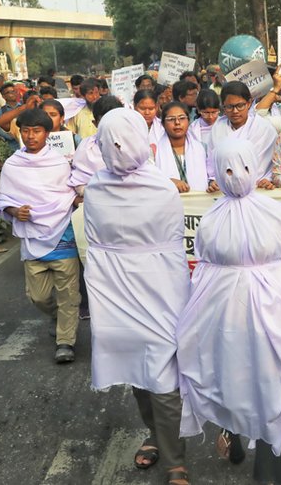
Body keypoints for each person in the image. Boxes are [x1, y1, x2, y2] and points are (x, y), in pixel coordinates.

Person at [177, 139, 281, 484]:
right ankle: (235, 434)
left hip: (270, 312)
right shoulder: (212, 217)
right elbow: (204, 263)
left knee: (272, 386)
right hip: (222, 313)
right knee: (231, 378)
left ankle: (273, 468)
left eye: (243, 168)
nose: (237, 177)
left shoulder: (274, 211)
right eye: (227, 170)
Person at [83, 108, 191, 485]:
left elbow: (170, 244)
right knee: (137, 369)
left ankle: (175, 459)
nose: (117, 150)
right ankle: (156, 436)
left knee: (162, 373)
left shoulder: (162, 188)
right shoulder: (96, 189)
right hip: (116, 293)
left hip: (159, 291)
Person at [0, 109, 81, 363]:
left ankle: (65, 341)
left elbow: (70, 194)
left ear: (47, 132)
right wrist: (14, 210)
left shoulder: (61, 162)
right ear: (20, 133)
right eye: (26, 131)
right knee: (38, 297)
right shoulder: (12, 165)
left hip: (63, 234)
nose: (31, 136)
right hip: (32, 239)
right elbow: (4, 199)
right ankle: (58, 317)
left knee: (68, 294)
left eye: (37, 131)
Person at [208, 81, 277, 185]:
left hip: (258, 187)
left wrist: (267, 179)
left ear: (249, 103)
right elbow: (212, 160)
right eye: (229, 107)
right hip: (224, 188)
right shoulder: (217, 128)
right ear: (223, 106)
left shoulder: (264, 129)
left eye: (240, 105)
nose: (235, 111)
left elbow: (272, 164)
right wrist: (214, 181)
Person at [69, 95, 124, 196]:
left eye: (114, 120)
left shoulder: (132, 143)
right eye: (104, 121)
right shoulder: (85, 147)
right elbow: (79, 183)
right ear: (95, 123)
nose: (110, 125)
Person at [155, 101, 208, 192]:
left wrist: (213, 183)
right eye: (171, 119)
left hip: (200, 203)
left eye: (182, 118)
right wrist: (168, 182)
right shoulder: (154, 151)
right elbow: (150, 181)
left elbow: (212, 176)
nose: (177, 122)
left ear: (189, 121)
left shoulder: (203, 148)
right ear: (163, 124)